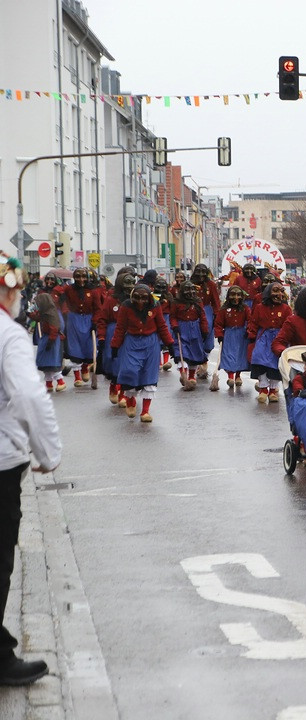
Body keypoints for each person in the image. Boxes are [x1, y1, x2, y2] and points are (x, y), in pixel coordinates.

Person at [0, 254, 61, 686]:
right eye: (16, 290)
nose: (19, 297)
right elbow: (29, 397)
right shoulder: (9, 335)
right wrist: (48, 452)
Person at [111, 284, 175, 421]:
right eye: (137, 298)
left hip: (151, 343)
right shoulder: (126, 307)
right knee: (130, 371)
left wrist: (170, 344)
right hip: (131, 342)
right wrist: (115, 346)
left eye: (144, 298)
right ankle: (131, 401)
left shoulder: (155, 305)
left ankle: (145, 411)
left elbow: (162, 326)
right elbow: (120, 327)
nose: (140, 301)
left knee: (149, 375)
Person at [96, 271, 138, 404]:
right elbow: (102, 319)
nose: (130, 287)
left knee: (127, 362)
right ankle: (113, 385)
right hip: (113, 332)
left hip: (130, 333)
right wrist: (101, 337)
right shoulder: (111, 300)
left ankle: (123, 392)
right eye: (127, 284)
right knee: (113, 360)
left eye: (132, 283)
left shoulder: (136, 299)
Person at [248, 282, 292, 404]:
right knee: (259, 360)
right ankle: (263, 389)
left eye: (281, 291)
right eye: (275, 291)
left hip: (279, 338)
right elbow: (254, 322)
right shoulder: (259, 307)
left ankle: (273, 390)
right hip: (263, 337)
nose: (278, 294)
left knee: (275, 364)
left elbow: (289, 325)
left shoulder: (286, 309)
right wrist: (251, 334)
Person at [58, 268, 97, 386]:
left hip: (89, 319)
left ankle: (85, 367)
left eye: (84, 277)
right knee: (75, 346)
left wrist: (95, 321)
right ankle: (77, 377)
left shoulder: (93, 290)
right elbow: (59, 296)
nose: (81, 279)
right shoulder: (69, 289)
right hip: (73, 319)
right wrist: (66, 311)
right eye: (78, 277)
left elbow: (98, 307)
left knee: (89, 346)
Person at [169, 282, 210, 391]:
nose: (190, 292)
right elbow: (172, 317)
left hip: (195, 329)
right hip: (181, 329)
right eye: (187, 290)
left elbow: (202, 316)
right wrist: (175, 326)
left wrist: (204, 330)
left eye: (192, 290)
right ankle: (184, 374)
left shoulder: (197, 302)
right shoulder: (176, 302)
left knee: (194, 353)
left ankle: (192, 376)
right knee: (182, 351)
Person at [214, 286, 251, 389]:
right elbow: (218, 324)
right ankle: (230, 376)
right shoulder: (224, 310)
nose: (236, 297)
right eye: (233, 294)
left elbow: (250, 320)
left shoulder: (245, 308)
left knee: (240, 355)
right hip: (229, 335)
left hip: (242, 335)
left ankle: (238, 376)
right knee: (229, 355)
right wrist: (219, 335)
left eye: (238, 295)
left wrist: (249, 331)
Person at [30, 292, 65, 392]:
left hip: (51, 339)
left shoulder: (51, 313)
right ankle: (48, 383)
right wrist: (30, 314)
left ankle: (61, 381)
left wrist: (51, 340)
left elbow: (55, 328)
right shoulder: (44, 312)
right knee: (45, 363)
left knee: (51, 362)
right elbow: (38, 318)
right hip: (46, 338)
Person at [190, 264, 220, 377]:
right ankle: (198, 364)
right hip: (193, 310)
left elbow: (216, 301)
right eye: (199, 272)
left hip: (207, 310)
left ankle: (204, 359)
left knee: (208, 341)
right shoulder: (190, 284)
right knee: (195, 337)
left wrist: (217, 315)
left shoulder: (211, 285)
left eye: (204, 272)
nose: (201, 275)